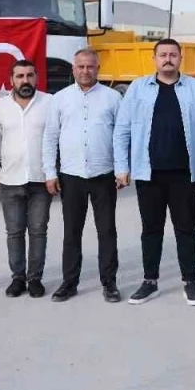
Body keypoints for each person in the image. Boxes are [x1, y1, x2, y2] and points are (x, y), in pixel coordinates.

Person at [115, 39, 195, 306]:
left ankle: (190, 281)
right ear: (154, 59)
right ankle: (150, 281)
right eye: (163, 55)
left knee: (186, 229)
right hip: (149, 173)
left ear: (181, 58)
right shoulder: (138, 89)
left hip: (184, 173)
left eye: (173, 54)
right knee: (151, 229)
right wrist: (122, 167)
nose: (168, 59)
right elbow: (122, 129)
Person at [42, 49, 124, 304]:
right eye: (81, 66)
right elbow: (50, 137)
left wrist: (122, 169)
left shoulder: (113, 97)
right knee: (72, 232)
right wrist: (50, 172)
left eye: (90, 66)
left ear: (98, 68)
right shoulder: (60, 99)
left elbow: (121, 136)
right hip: (71, 175)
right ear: (73, 68)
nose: (85, 71)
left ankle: (109, 283)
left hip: (104, 174)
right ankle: (69, 282)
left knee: (107, 231)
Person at [0, 60, 53, 298]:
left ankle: (35, 279)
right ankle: (18, 278)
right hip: (10, 179)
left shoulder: (49, 102)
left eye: (29, 75)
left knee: (38, 231)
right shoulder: (0, 106)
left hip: (40, 179)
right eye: (20, 76)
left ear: (36, 77)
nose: (25, 80)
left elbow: (55, 138)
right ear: (12, 79)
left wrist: (53, 173)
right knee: (14, 232)